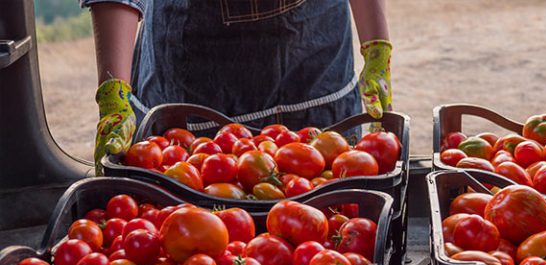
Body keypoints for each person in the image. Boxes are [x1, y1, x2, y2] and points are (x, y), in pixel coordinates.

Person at [82, 0, 392, 174]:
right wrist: (113, 93)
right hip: (195, 75)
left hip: (316, 64)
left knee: (330, 216)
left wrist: (376, 47)